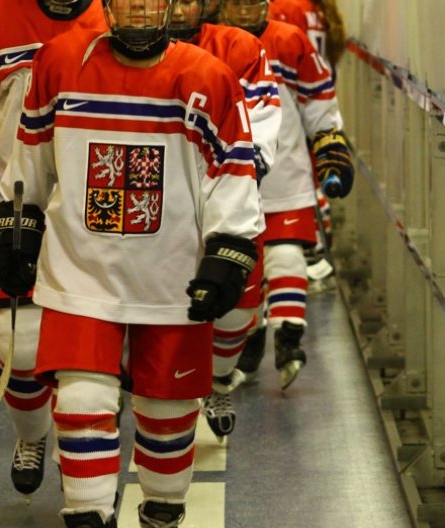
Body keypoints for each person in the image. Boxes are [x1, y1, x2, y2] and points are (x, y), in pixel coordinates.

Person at [0, 0, 263, 524]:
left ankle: (162, 512)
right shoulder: (61, 61)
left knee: (167, 416)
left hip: (171, 281)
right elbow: (32, 157)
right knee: (80, 403)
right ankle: (90, 513)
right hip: (80, 272)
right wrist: (17, 223)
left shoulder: (209, 76)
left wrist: (228, 249)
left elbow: (232, 171)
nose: (139, 7)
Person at [0, 0, 106, 498]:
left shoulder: (120, 16)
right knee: (21, 346)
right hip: (21, 206)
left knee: (97, 358)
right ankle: (31, 436)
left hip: (98, 212)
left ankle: (89, 483)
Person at [220, 0, 354, 390]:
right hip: (230, 178)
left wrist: (328, 140)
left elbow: (318, 99)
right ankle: (252, 336)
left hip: (285, 169)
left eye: (250, 5)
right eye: (236, 5)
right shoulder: (210, 41)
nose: (244, 13)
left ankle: (289, 335)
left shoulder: (288, 38)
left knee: (286, 253)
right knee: (244, 265)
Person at [169, 0, 281, 438]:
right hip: (157, 207)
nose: (175, 10)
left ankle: (217, 379)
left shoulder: (240, 48)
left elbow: (258, 130)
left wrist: (234, 178)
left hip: (229, 197)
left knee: (236, 312)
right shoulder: (105, 49)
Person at [268, 0, 348, 271]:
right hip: (316, 102)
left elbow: (286, 58)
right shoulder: (315, 7)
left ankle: (309, 250)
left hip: (296, 105)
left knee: (298, 183)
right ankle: (314, 248)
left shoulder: (288, 7)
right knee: (311, 178)